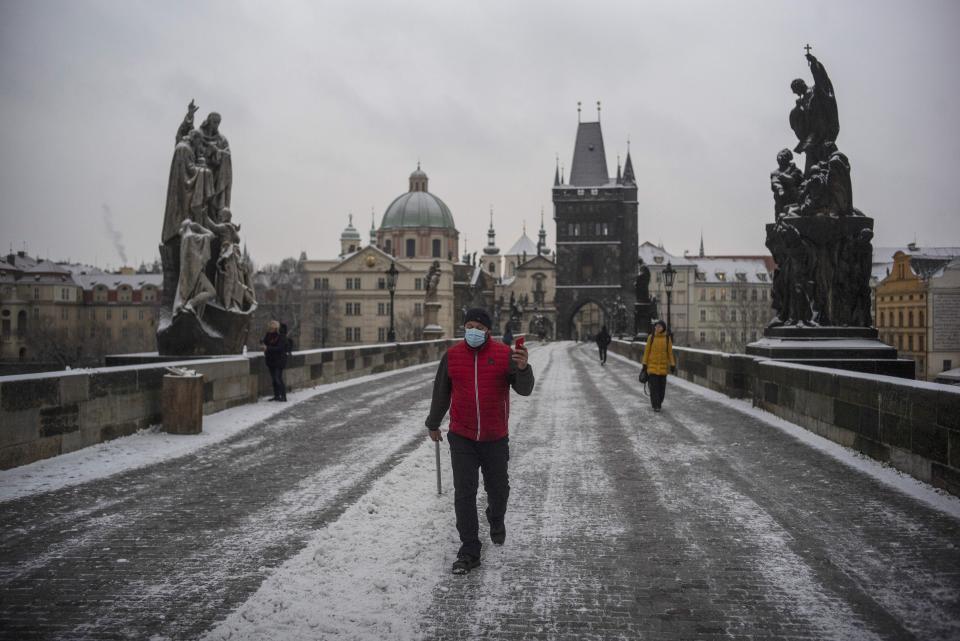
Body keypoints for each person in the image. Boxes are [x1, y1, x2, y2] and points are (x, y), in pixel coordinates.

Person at [425, 308, 535, 575]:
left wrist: (523, 368)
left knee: (499, 490)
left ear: (487, 330)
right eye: (468, 325)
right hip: (462, 435)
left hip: (494, 436)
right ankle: (469, 550)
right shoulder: (452, 356)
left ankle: (496, 518)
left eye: (478, 326)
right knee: (465, 493)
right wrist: (433, 423)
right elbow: (441, 392)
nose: (472, 330)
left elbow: (525, 389)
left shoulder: (503, 355)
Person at [641, 320, 675, 412]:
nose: (657, 328)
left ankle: (658, 402)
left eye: (659, 326)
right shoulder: (651, 337)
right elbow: (646, 352)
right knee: (654, 388)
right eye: (656, 326)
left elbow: (670, 353)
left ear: (663, 327)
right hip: (652, 368)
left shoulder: (667, 339)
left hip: (663, 369)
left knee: (661, 390)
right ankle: (656, 405)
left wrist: (672, 364)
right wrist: (644, 364)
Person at [262, 320, 287, 402]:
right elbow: (265, 343)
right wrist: (262, 344)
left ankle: (283, 396)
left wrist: (267, 348)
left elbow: (280, 348)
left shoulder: (281, 336)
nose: (270, 329)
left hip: (279, 360)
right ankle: (276, 396)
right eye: (269, 327)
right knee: (274, 379)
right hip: (270, 360)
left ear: (276, 328)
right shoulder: (268, 335)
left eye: (272, 328)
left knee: (278, 378)